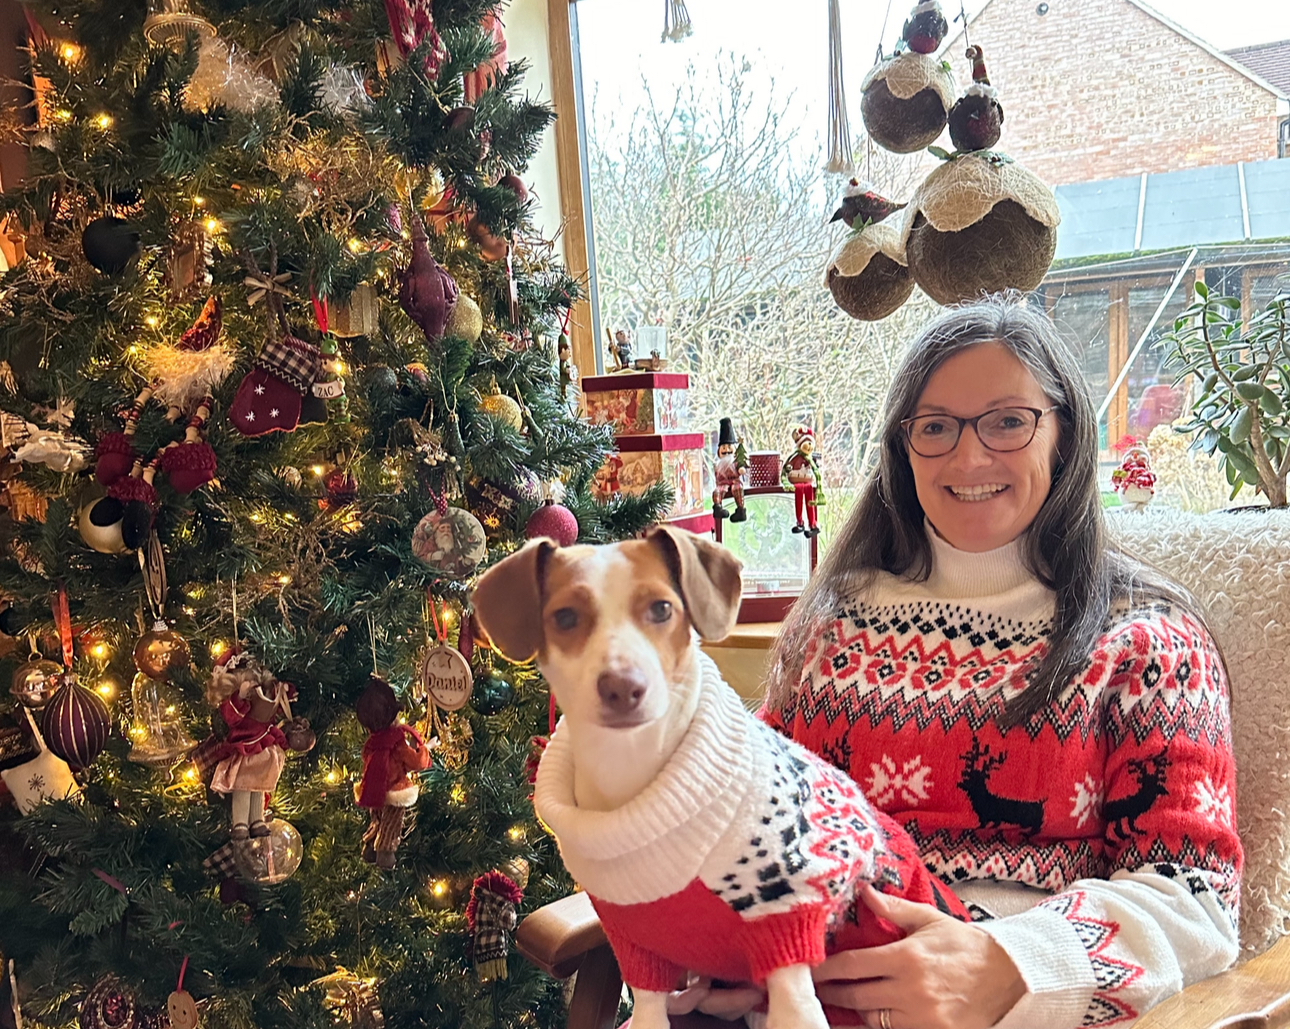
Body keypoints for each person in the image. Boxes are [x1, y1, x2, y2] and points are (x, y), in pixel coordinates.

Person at [671, 296, 1242, 1029]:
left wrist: (1010, 964)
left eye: (1008, 420)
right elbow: (761, 818)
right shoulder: (833, 625)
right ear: (903, 451)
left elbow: (1194, 897)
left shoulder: (1149, 644)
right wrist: (718, 945)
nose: (970, 458)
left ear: (1064, 435)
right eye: (936, 427)